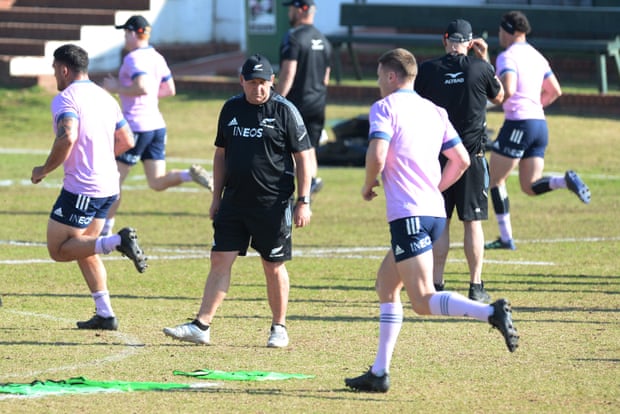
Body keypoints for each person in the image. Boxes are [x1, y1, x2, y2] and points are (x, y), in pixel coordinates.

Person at [344, 48, 519, 393]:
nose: (378, 82)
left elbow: (377, 153)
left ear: (392, 77)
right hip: (433, 212)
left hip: (409, 215)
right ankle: (379, 372)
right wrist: (434, 188)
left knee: (422, 301)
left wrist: (367, 186)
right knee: (385, 285)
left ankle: (491, 312)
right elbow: (462, 160)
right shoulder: (433, 110)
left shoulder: (385, 108)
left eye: (380, 75)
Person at [163, 54, 313, 348]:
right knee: (220, 258)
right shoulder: (231, 108)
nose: (258, 89)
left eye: (263, 83)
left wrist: (304, 201)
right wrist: (216, 197)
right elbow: (220, 155)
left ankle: (278, 327)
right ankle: (201, 325)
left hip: (273, 203)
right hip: (233, 201)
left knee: (272, 265)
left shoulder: (285, 111)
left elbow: (303, 157)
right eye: (252, 82)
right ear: (241, 81)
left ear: (272, 82)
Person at [31, 44, 148, 331]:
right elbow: (127, 140)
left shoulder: (66, 99)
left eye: (54, 69)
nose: (54, 74)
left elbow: (67, 136)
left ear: (64, 69)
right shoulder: (105, 97)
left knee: (58, 249)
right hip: (109, 185)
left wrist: (44, 170)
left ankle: (118, 241)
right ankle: (105, 313)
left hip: (83, 188)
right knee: (85, 248)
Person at [415, 19, 504, 302]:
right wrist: (484, 57)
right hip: (471, 157)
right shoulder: (481, 68)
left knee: (441, 221)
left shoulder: (428, 69)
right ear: (469, 42)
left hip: (437, 157)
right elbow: (499, 95)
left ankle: (437, 284)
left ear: (445, 40)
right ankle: (475, 286)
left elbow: (414, 104)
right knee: (472, 222)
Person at [485, 10, 591, 250]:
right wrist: (534, 106)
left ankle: (506, 238)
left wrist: (485, 106)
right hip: (539, 125)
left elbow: (508, 89)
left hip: (518, 124)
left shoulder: (507, 56)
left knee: (494, 179)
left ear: (509, 31)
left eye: (501, 30)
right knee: (529, 186)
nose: (499, 35)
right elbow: (555, 90)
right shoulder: (537, 56)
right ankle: (564, 181)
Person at [101, 15, 213, 236]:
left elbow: (141, 86)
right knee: (156, 182)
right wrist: (149, 98)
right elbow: (169, 89)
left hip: (135, 127)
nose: (125, 38)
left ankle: (105, 230)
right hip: (156, 125)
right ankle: (189, 175)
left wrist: (116, 87)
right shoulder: (156, 56)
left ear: (133, 33)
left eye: (125, 33)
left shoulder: (133, 59)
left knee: (114, 180)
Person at [276, 0, 331, 196]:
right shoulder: (323, 40)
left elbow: (288, 73)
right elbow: (326, 77)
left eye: (291, 9)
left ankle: (300, 192)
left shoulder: (293, 37)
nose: (289, 13)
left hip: (296, 104)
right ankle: (309, 189)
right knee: (310, 149)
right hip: (318, 103)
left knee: (292, 151)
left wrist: (274, 100)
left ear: (301, 10)